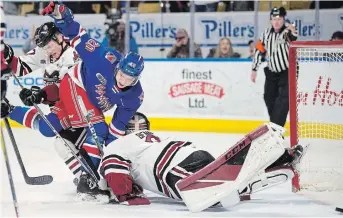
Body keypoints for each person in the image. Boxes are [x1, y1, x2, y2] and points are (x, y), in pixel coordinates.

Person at [31, 1, 144, 196]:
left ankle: (90, 174)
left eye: (130, 78)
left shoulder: (135, 96)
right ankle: (88, 179)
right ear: (118, 67)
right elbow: (78, 35)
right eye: (122, 74)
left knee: (66, 135)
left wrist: (110, 157)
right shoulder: (102, 58)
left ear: (137, 79)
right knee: (98, 130)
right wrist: (61, 16)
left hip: (87, 101)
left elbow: (117, 126)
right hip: (76, 83)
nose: (124, 81)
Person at [100, 113, 305, 211]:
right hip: (192, 152)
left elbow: (115, 170)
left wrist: (126, 195)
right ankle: (275, 161)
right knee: (223, 185)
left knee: (206, 196)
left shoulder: (116, 145)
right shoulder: (150, 137)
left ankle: (236, 182)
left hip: (171, 169)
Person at [1, 21, 87, 186]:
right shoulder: (47, 49)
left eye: (49, 46)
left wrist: (40, 95)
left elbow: (67, 89)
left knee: (50, 129)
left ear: (60, 37)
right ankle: (84, 177)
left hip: (79, 105)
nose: (47, 51)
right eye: (44, 47)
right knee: (59, 138)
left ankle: (88, 175)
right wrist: (7, 56)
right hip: (60, 104)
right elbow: (21, 67)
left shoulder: (73, 54)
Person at [251, 7, 297, 127]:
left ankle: (275, 129)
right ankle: (275, 128)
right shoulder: (266, 34)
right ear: (270, 20)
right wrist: (254, 69)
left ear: (283, 19)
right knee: (268, 98)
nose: (276, 21)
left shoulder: (287, 32)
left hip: (286, 73)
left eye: (279, 19)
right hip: (272, 72)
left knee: (283, 100)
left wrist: (292, 31)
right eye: (274, 19)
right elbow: (259, 50)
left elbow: (293, 37)